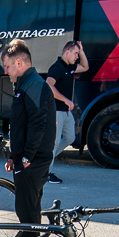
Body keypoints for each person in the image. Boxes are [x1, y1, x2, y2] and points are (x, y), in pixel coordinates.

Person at [0, 39, 55, 237]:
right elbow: (20, 125)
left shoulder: (34, 84)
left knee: (27, 206)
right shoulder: (26, 84)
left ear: (19, 62)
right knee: (29, 203)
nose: (6, 71)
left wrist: (26, 157)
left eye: (8, 66)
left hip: (34, 159)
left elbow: (37, 123)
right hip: (26, 157)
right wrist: (15, 155)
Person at [44, 40, 89, 184]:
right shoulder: (57, 67)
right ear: (67, 51)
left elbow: (85, 67)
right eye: (75, 53)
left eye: (78, 54)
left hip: (66, 112)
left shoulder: (69, 67)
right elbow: (48, 85)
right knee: (54, 143)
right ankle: (46, 172)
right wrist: (65, 100)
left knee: (70, 138)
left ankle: (43, 161)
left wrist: (81, 50)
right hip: (56, 110)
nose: (77, 56)